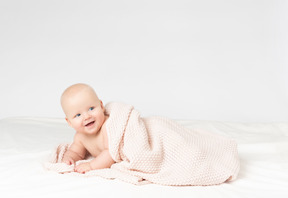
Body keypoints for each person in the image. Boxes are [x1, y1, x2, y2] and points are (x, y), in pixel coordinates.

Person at [61, 83, 115, 173]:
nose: (87, 117)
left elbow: (111, 153)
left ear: (101, 106)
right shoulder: (80, 136)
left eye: (91, 109)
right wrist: (69, 159)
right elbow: (76, 153)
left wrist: (91, 165)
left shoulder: (108, 126)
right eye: (78, 115)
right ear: (69, 122)